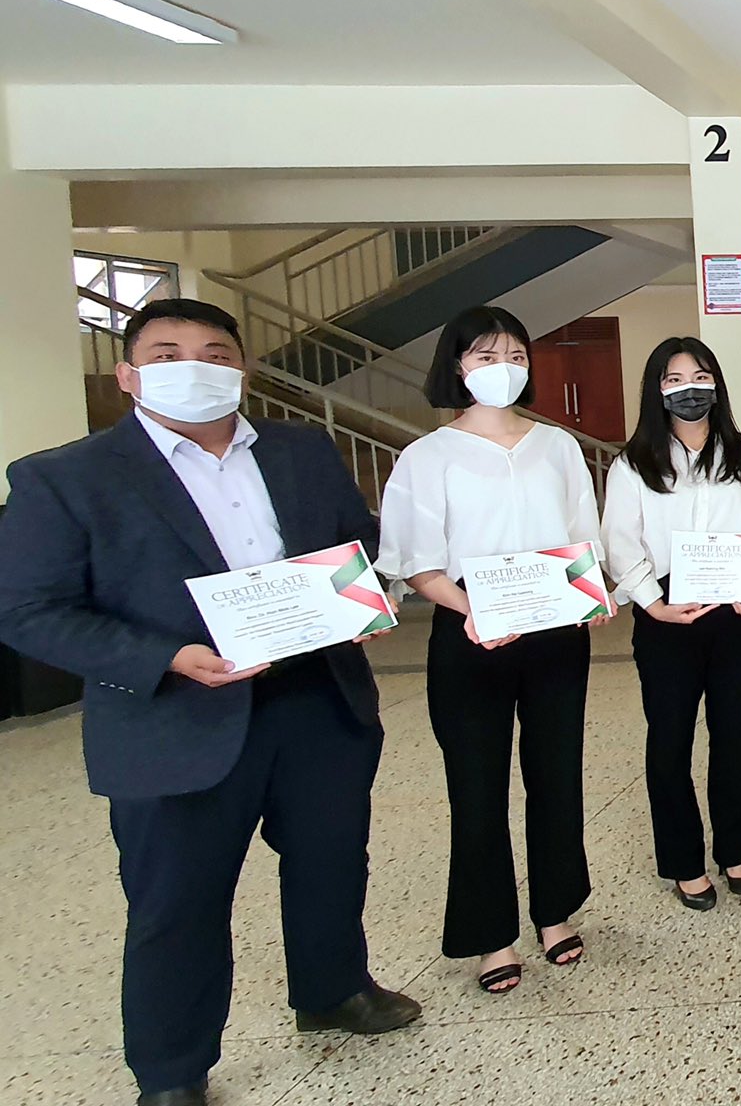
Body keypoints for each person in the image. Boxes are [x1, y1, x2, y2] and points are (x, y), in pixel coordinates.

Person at [0, 299, 420, 1105]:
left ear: (242, 369)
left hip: (316, 699)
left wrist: (362, 601)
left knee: (332, 860)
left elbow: (352, 543)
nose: (193, 366)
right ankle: (171, 1070)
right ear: (127, 375)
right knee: (178, 899)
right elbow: (26, 611)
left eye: (215, 352)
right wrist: (168, 658)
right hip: (175, 719)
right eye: (166, 353)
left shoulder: (303, 450)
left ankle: (332, 990)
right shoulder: (66, 476)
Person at [377, 306, 602, 994]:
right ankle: (489, 935)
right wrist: (473, 609)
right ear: (456, 367)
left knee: (556, 773)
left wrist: (589, 595)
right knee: (476, 786)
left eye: (513, 354)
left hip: (554, 629)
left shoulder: (557, 446)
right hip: (468, 626)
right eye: (483, 356)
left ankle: (556, 912)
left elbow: (581, 535)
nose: (501, 367)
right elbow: (415, 561)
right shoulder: (427, 457)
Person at [600, 337, 741, 909]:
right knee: (670, 738)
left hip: (736, 610)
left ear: (717, 383)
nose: (689, 388)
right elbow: (619, 541)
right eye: (674, 380)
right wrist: (652, 603)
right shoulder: (633, 464)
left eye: (699, 376)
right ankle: (683, 861)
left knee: (735, 736)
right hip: (665, 611)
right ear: (657, 391)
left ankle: (735, 851)